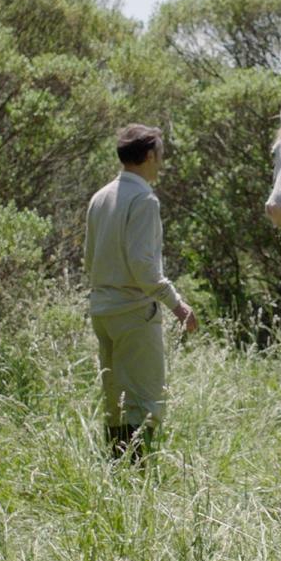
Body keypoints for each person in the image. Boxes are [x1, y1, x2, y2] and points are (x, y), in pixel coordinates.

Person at [84, 123, 198, 462]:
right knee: (146, 404)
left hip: (102, 311)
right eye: (160, 156)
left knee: (114, 402)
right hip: (134, 312)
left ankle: (116, 477)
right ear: (149, 156)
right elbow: (144, 267)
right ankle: (137, 484)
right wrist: (177, 305)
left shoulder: (100, 197)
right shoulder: (144, 200)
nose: (161, 163)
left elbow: (89, 258)